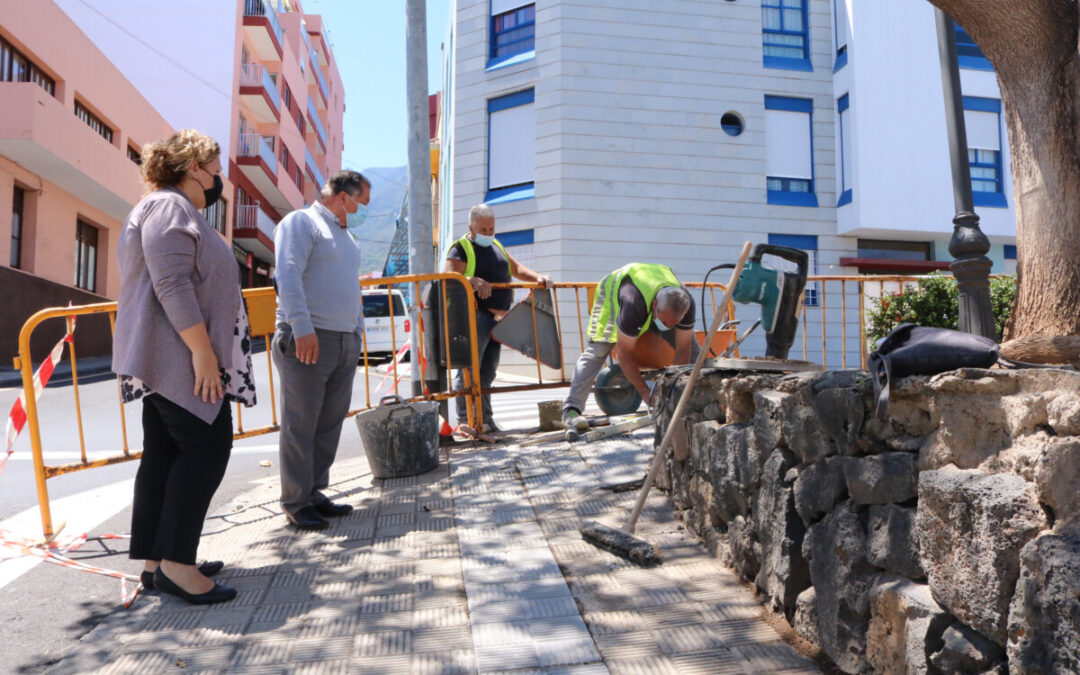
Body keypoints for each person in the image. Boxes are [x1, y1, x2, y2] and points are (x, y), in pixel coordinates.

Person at [113, 130, 255, 605]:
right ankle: (177, 565)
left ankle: (159, 561)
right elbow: (172, 283)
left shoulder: (168, 207)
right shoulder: (169, 206)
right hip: (178, 357)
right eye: (215, 166)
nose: (220, 177)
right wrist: (203, 353)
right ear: (194, 167)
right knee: (206, 450)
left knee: (167, 455)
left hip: (166, 356)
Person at [273, 170, 369, 530]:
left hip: (343, 339)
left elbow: (350, 287)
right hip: (309, 337)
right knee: (302, 423)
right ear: (343, 196)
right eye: (360, 201)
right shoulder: (302, 222)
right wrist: (302, 327)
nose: (362, 209)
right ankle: (296, 502)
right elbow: (288, 272)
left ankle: (313, 491)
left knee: (328, 422)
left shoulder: (348, 238)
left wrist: (356, 332)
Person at [444, 204, 553, 432]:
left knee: (487, 373)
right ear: (471, 228)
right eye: (483, 229)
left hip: (497, 320)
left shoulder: (497, 245)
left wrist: (538, 278)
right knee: (469, 370)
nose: (488, 233)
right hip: (474, 317)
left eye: (491, 229)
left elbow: (516, 267)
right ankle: (466, 421)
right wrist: (472, 280)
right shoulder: (461, 248)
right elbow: (447, 276)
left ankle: (485, 421)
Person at [562, 263, 698, 432]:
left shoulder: (686, 304)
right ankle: (571, 410)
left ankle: (693, 403)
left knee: (695, 354)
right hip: (614, 296)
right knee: (598, 350)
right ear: (655, 305)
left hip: (653, 297)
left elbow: (683, 350)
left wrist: (675, 392)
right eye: (665, 323)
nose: (668, 327)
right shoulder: (633, 302)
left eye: (673, 324)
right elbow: (624, 353)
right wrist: (645, 393)